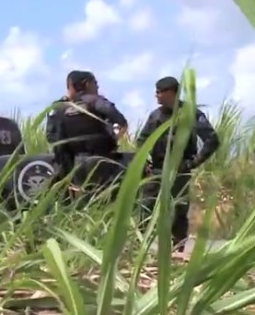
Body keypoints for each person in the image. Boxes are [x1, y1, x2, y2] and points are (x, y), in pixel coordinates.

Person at [137, 76, 221, 253]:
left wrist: (193, 163)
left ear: (172, 93)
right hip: (157, 169)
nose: (157, 96)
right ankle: (142, 250)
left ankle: (178, 249)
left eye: (161, 92)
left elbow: (212, 140)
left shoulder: (191, 114)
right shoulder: (156, 116)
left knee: (178, 211)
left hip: (180, 169)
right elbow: (142, 140)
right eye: (156, 92)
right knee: (146, 207)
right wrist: (144, 162)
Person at [46, 70, 127, 193]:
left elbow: (52, 137)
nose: (98, 87)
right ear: (87, 84)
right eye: (95, 83)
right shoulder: (96, 101)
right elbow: (121, 122)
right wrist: (114, 140)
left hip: (72, 165)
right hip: (101, 160)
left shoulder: (58, 108)